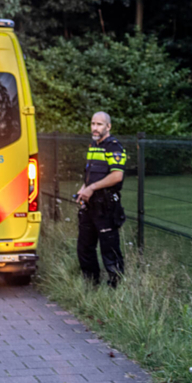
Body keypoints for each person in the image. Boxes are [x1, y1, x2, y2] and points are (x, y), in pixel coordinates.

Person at [76, 111, 127, 287]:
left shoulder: (114, 147)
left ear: (108, 127)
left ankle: (116, 288)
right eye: (93, 124)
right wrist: (84, 188)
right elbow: (91, 175)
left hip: (106, 206)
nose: (95, 128)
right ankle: (91, 286)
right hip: (90, 205)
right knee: (84, 247)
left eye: (99, 124)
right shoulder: (93, 145)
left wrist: (91, 188)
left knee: (109, 249)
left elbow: (117, 176)